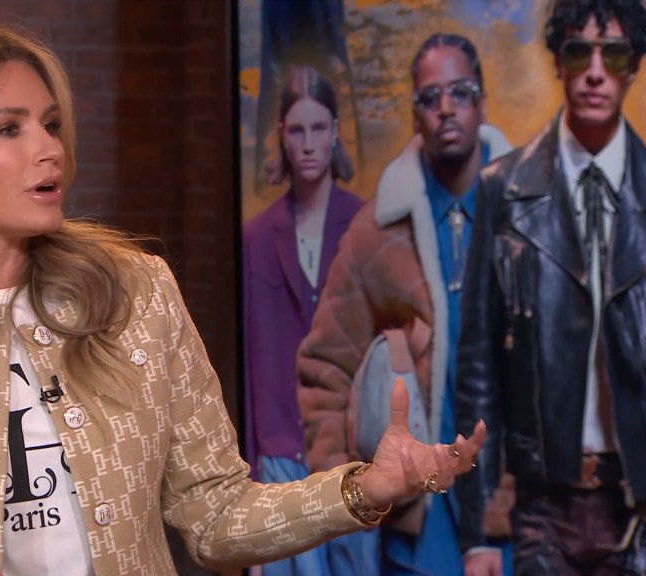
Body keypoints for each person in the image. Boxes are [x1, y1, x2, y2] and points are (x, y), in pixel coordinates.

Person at [0, 19, 485, 576]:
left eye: (51, 123)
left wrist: (362, 489)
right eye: (9, 128)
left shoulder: (135, 293)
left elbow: (216, 514)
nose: (49, 149)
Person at [295, 33, 515, 576]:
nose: (446, 108)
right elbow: (325, 367)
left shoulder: (529, 212)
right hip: (419, 526)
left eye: (460, 92)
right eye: (430, 97)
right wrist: (347, 497)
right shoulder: (376, 232)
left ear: (483, 102)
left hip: (515, 511)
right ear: (415, 113)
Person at [456, 1, 646, 574]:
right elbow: (478, 366)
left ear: (634, 67)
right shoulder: (504, 191)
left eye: (614, 54)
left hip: (637, 502)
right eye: (579, 52)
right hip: (543, 506)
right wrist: (477, 532)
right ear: (558, 62)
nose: (596, 72)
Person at [242, 65, 365, 576]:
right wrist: (248, 475)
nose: (309, 143)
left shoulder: (366, 226)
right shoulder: (255, 237)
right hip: (280, 457)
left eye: (318, 128)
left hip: (352, 454)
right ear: (282, 136)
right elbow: (249, 359)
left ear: (335, 131)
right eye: (297, 130)